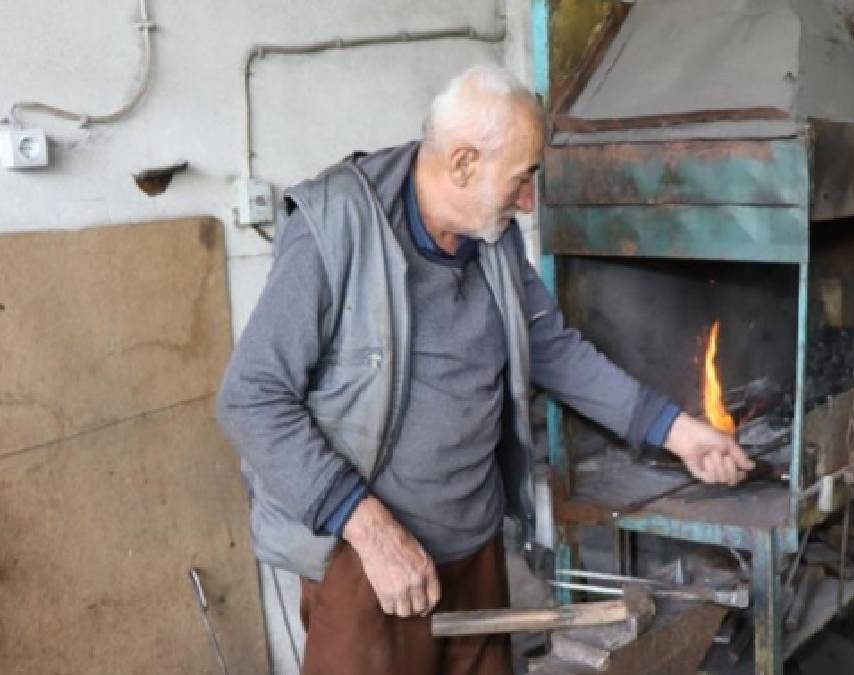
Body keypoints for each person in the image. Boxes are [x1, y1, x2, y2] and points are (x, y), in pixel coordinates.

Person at [216, 63, 753, 675]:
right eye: (522, 179)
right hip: (369, 563)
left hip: (474, 547)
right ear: (464, 163)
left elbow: (551, 347)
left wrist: (678, 432)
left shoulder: (489, 235)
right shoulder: (336, 228)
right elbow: (250, 397)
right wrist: (368, 531)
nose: (528, 202)